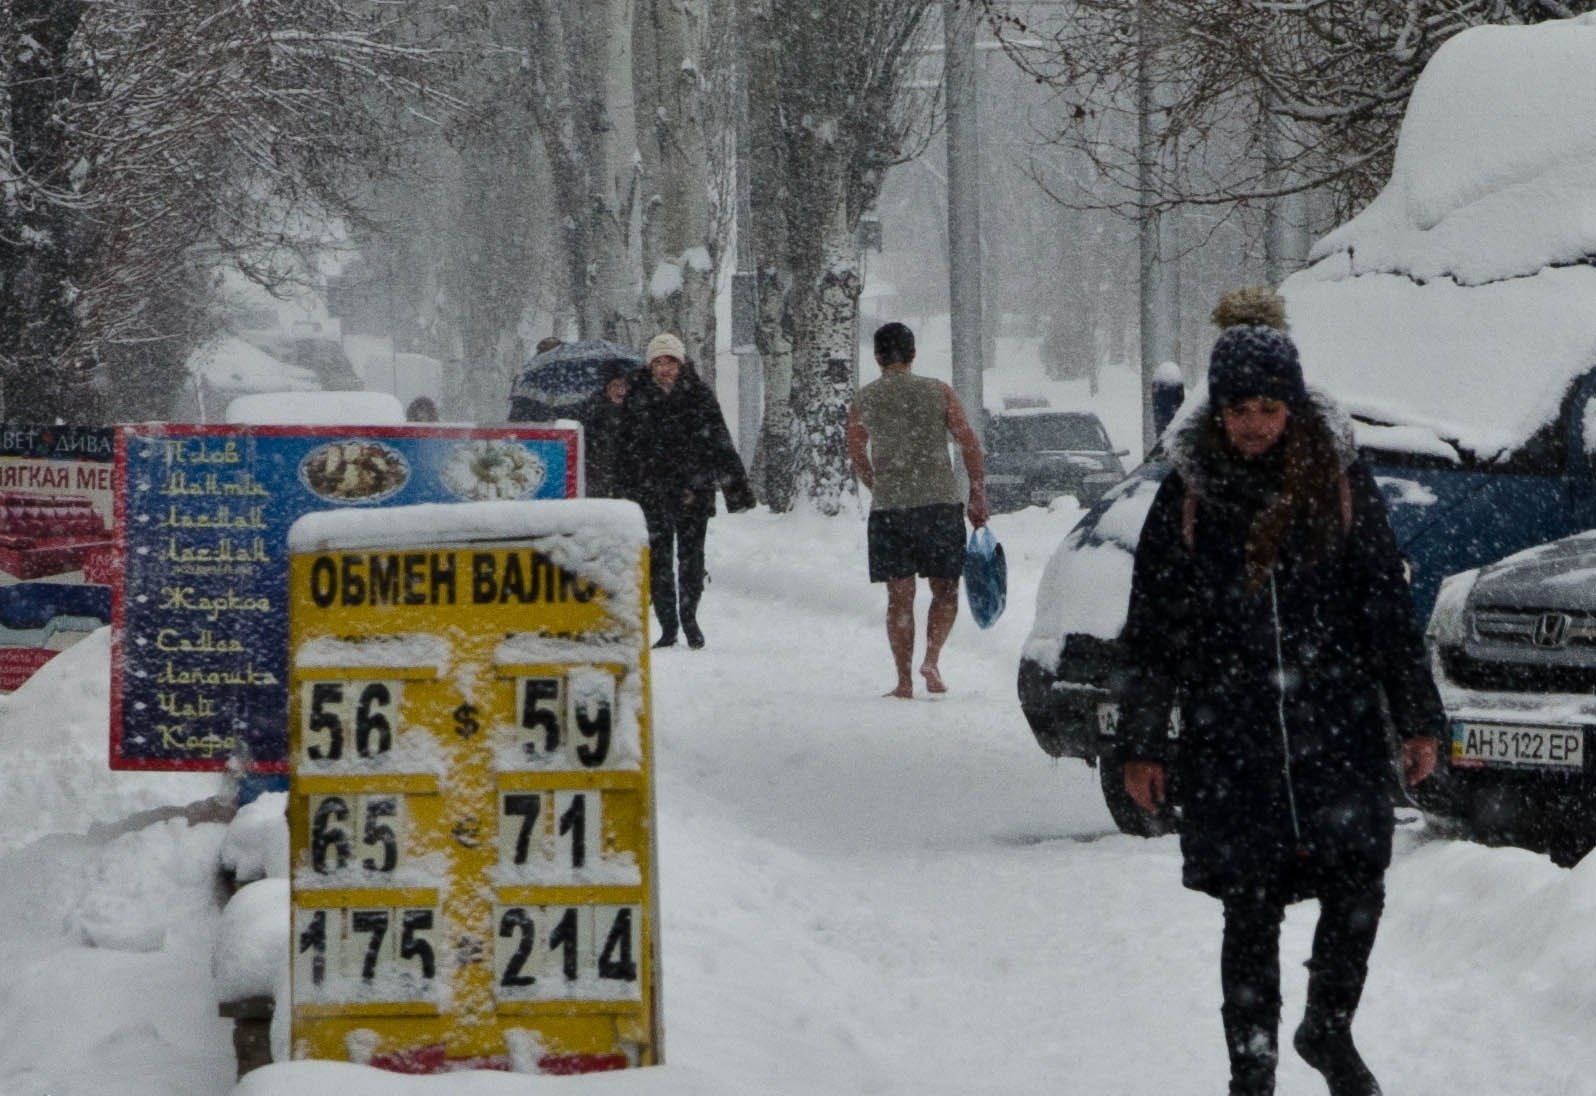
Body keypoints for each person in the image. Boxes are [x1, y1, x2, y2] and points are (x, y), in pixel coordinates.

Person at [1114, 288, 1443, 1096]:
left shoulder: (1338, 485)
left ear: (1293, 408)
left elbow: (1386, 608)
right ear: (1217, 412)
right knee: (1249, 913)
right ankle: (1251, 1072)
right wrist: (1141, 743)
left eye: (1269, 408)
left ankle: (1327, 1030)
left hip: (1335, 729)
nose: (1255, 425)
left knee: (1359, 886)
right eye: (1240, 410)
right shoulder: (1186, 497)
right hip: (1236, 740)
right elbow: (1152, 632)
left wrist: (1416, 717)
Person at [846, 321, 988, 699]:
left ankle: (904, 681)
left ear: (877, 356)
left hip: (892, 510)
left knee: (900, 597)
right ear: (913, 355)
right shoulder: (938, 392)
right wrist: (976, 492)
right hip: (939, 505)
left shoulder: (864, 399)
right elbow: (969, 442)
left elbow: (857, 452)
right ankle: (932, 658)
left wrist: (878, 485)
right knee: (945, 591)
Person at [616, 333, 755, 649]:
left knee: (692, 558)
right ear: (650, 366)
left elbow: (719, 442)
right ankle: (668, 625)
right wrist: (623, 492)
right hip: (651, 491)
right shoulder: (636, 397)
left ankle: (690, 618)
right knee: (659, 560)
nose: (665, 368)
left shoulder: (699, 395)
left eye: (671, 361)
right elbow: (624, 449)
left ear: (681, 363)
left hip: (694, 489)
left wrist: (736, 489)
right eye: (658, 362)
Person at [577, 363, 629, 498]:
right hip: (598, 472)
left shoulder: (633, 408)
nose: (621, 391)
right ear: (607, 388)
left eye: (624, 385)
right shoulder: (594, 408)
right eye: (616, 386)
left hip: (624, 473)